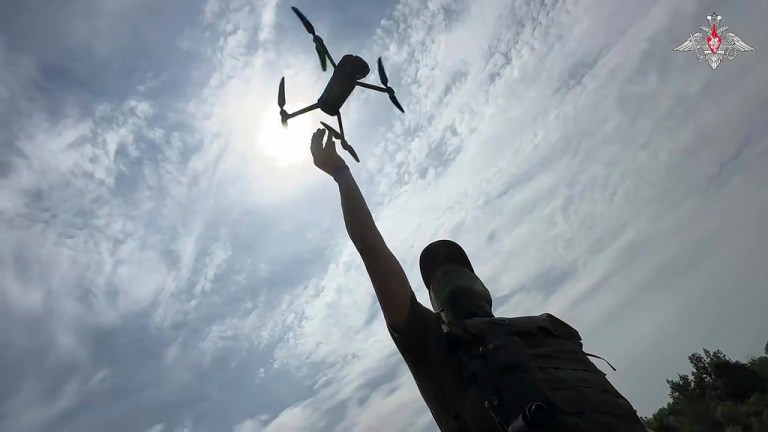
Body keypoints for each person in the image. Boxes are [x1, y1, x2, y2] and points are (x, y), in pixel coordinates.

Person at [310, 129, 649, 431]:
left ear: (485, 289)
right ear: (435, 308)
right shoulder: (432, 345)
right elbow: (372, 249)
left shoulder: (548, 330)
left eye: (458, 268)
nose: (448, 275)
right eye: (438, 277)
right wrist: (341, 174)